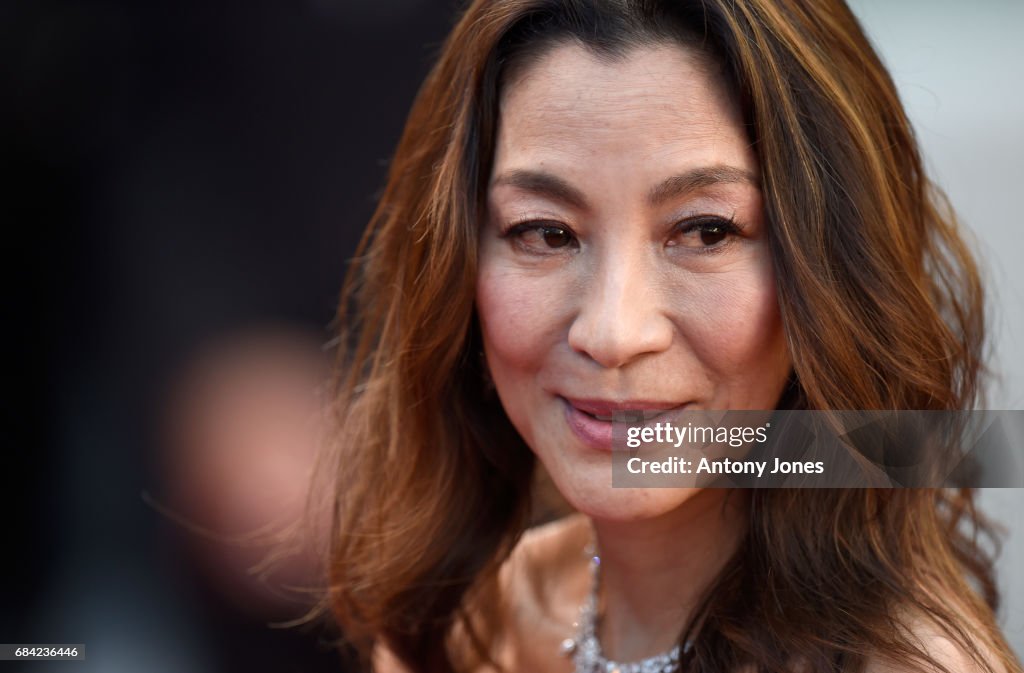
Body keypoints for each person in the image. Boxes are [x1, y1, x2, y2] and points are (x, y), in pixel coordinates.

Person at [320, 1, 1023, 671]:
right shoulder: (472, 630)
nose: (612, 331)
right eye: (547, 232)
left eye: (706, 231)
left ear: (832, 268)